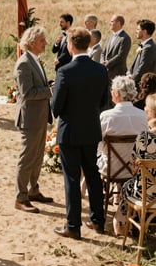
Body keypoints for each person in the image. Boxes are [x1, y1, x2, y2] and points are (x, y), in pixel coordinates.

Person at [52, 27, 109, 239]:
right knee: (93, 175)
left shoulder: (65, 72)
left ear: (70, 45)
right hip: (91, 129)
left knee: (72, 179)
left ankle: (73, 226)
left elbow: (56, 108)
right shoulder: (101, 70)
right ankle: (98, 221)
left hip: (69, 132)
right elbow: (104, 102)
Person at [14, 26, 53, 213]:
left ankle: (33, 190)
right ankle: (20, 197)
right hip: (30, 118)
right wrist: (49, 91)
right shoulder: (24, 63)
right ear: (31, 42)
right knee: (27, 158)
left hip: (40, 116)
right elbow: (27, 93)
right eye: (42, 40)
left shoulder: (35, 60)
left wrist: (47, 86)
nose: (45, 43)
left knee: (37, 157)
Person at [112, 93, 156, 236]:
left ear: (150, 112)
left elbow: (133, 167)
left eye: (146, 108)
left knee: (127, 185)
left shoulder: (145, 138)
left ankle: (122, 223)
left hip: (146, 195)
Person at [97, 76, 148, 181]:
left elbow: (98, 146)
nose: (110, 92)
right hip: (136, 169)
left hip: (111, 169)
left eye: (112, 90)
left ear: (117, 93)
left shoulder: (106, 116)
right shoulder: (143, 115)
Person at [101, 14, 131, 81]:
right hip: (106, 73)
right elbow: (103, 52)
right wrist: (102, 62)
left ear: (118, 23)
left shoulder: (125, 38)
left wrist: (108, 63)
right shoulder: (110, 37)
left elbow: (121, 55)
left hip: (117, 74)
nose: (110, 23)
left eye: (112, 21)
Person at [128, 19, 156, 89]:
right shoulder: (145, 45)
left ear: (144, 32)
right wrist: (129, 73)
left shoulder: (149, 47)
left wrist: (132, 79)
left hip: (142, 85)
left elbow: (143, 68)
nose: (136, 31)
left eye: (138, 29)